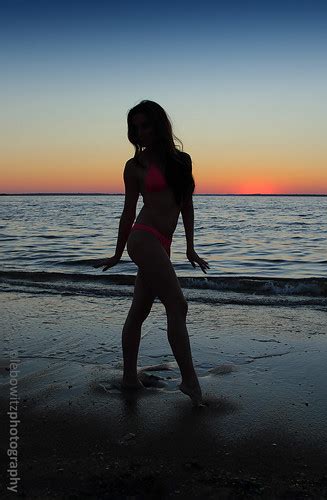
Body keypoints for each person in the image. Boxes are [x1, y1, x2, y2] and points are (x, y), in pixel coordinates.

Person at [93, 100, 209, 407]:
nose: (140, 132)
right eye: (134, 127)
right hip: (143, 238)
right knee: (178, 304)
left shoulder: (183, 161)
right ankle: (190, 381)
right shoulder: (135, 167)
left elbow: (186, 205)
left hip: (163, 243)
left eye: (145, 125)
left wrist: (190, 247)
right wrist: (118, 253)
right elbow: (128, 212)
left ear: (159, 125)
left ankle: (130, 378)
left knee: (139, 311)